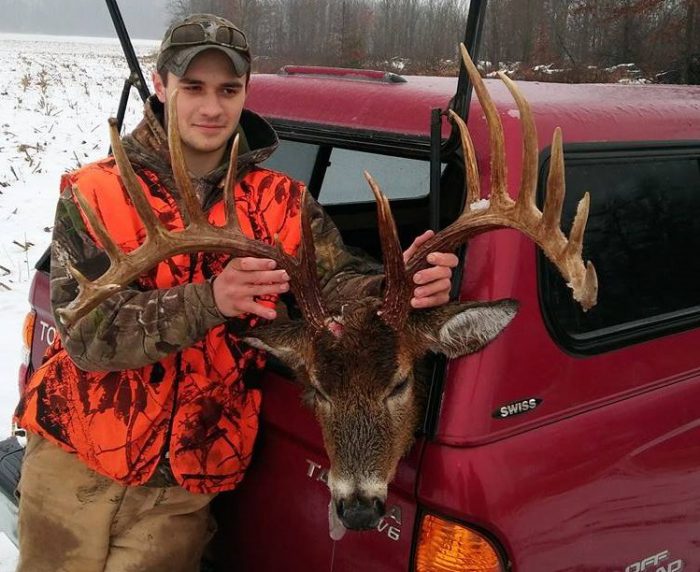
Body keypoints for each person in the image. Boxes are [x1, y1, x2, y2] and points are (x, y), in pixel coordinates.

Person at [13, 13, 458, 572]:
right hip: (76, 461)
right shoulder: (97, 192)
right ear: (161, 84)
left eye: (228, 90)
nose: (211, 108)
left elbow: (337, 280)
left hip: (184, 483)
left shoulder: (282, 202)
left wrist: (399, 287)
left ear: (246, 92)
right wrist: (210, 299)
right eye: (192, 88)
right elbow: (86, 335)